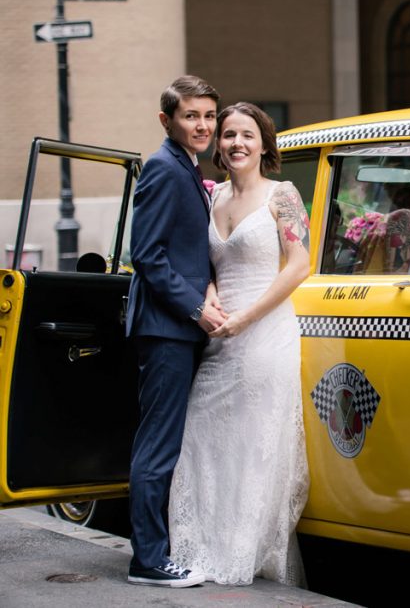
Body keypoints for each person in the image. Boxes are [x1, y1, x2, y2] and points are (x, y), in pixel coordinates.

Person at [168, 102, 311, 586]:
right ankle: (199, 548)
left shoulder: (283, 195)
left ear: (264, 143)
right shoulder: (213, 196)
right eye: (228, 135)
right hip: (218, 333)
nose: (236, 143)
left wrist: (246, 318)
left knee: (254, 446)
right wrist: (209, 296)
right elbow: (206, 262)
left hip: (265, 332)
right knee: (201, 440)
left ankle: (240, 558)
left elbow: (299, 265)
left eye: (247, 135)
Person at [126, 75, 227, 588]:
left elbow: (184, 249)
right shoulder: (164, 169)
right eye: (192, 116)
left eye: (209, 116)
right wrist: (196, 309)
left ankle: (158, 549)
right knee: (158, 445)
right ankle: (148, 559)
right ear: (168, 121)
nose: (203, 126)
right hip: (167, 328)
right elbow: (146, 254)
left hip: (179, 324)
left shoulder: (188, 168)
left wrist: (207, 284)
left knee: (166, 442)